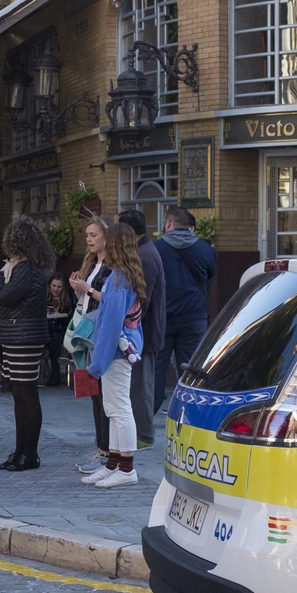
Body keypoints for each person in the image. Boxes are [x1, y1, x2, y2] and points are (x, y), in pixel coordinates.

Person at [74, 222, 146, 489]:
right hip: (119, 352)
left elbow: (111, 326)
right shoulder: (124, 276)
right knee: (114, 408)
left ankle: (125, 468)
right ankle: (114, 465)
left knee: (118, 409)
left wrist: (97, 363)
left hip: (115, 353)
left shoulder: (118, 279)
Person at [0, 217, 55, 471]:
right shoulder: (21, 269)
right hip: (17, 336)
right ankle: (21, 451)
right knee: (19, 394)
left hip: (24, 337)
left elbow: (5, 297)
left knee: (26, 394)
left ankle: (29, 453)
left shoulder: (24, 270)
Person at [154, 206, 217, 413]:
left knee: (156, 369)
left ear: (168, 223)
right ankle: (190, 414)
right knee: (191, 369)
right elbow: (210, 274)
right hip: (194, 317)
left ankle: (146, 422)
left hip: (162, 319)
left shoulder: (156, 249)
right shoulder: (205, 248)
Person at [117, 209, 164, 450]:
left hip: (142, 333)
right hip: (141, 331)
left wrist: (128, 327)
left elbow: (141, 300)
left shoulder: (144, 255)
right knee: (136, 385)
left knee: (140, 387)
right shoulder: (143, 250)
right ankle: (141, 432)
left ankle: (144, 435)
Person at [72, 218, 114, 476]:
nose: (89, 239)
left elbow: (108, 300)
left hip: (101, 333)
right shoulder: (92, 264)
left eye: (94, 235)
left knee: (104, 394)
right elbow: (86, 302)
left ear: (106, 237)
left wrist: (87, 289)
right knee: (94, 393)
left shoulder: (112, 268)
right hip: (88, 331)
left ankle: (107, 450)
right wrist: (78, 290)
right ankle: (101, 447)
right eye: (87, 234)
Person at [45, 274, 74, 388]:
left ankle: (55, 373)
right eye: (53, 286)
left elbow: (68, 321)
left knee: (54, 338)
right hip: (46, 329)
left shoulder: (68, 300)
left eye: (59, 287)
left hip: (61, 330)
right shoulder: (44, 298)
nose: (55, 289)